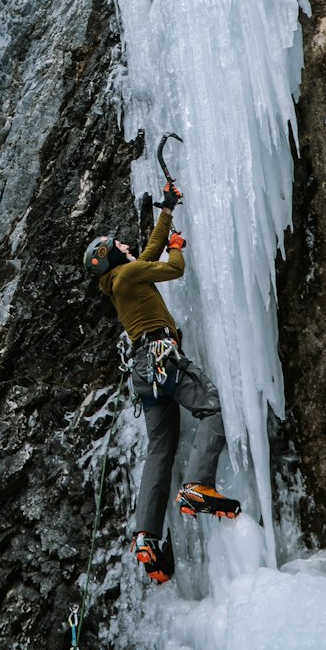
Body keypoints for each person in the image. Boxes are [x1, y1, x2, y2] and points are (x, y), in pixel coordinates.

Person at [83, 185, 239, 584]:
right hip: (161, 358)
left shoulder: (122, 279)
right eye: (117, 244)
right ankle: (198, 485)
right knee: (212, 407)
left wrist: (167, 210)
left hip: (142, 373)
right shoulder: (128, 273)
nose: (124, 243)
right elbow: (171, 268)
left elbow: (147, 256)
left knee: (160, 449)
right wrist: (178, 246)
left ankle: (147, 537)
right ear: (111, 256)